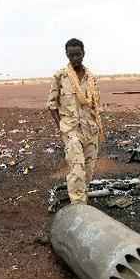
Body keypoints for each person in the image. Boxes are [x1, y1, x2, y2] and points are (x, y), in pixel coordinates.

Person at [47, 38, 103, 205]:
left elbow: (95, 104)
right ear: (67, 55)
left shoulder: (91, 77)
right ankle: (78, 205)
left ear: (83, 53)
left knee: (88, 170)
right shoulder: (60, 76)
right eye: (71, 55)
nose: (75, 58)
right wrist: (62, 127)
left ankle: (82, 197)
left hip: (90, 129)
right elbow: (51, 105)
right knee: (77, 169)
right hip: (71, 130)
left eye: (78, 54)